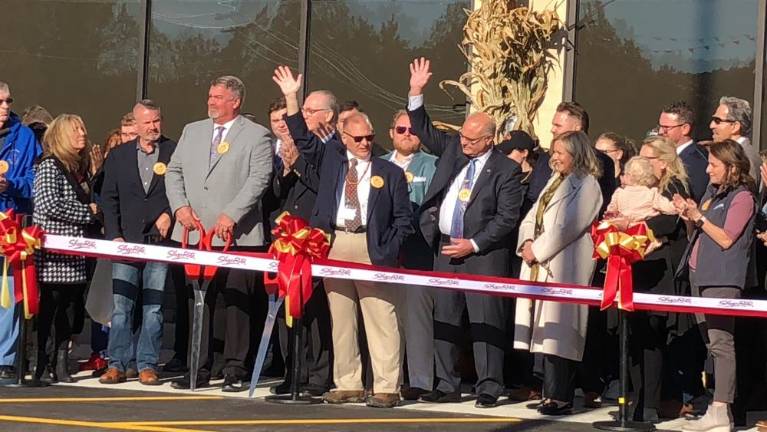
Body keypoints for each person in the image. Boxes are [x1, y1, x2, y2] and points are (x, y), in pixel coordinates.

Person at [274, 65, 413, 409]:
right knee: (341, 318)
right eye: (358, 139)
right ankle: (347, 382)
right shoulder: (333, 159)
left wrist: (388, 247)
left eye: (369, 137)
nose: (366, 144)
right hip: (336, 242)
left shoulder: (390, 173)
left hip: (371, 245)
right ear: (343, 138)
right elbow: (303, 139)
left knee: (381, 317)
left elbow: (404, 220)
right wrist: (292, 97)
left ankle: (385, 386)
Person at [406, 58, 524, 408]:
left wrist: (473, 244)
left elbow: (507, 218)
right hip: (444, 250)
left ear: (489, 140)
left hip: (481, 254)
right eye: (463, 137)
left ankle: (489, 386)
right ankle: (446, 383)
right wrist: (416, 93)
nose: (465, 143)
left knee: (485, 319)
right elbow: (426, 132)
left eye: (473, 140)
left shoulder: (506, 171)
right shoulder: (456, 150)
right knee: (445, 316)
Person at [165, 75, 273, 391]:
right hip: (195, 231)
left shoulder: (257, 136)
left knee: (236, 302)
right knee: (198, 301)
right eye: (210, 95)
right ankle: (197, 367)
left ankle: (235, 369)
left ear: (235, 101)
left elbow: (259, 178)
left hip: (237, 235)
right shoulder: (192, 131)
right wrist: (180, 208)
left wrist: (233, 214)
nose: (211, 101)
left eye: (218, 97)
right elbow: (174, 172)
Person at [514, 131, 603, 415]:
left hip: (564, 266)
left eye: (560, 153)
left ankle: (560, 396)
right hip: (540, 263)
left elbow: (569, 226)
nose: (554, 158)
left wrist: (537, 250)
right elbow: (533, 215)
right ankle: (547, 392)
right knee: (543, 333)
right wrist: (527, 241)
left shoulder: (588, 185)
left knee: (560, 335)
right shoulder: (555, 181)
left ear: (576, 155)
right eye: (553, 152)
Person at [674, 139, 756, 432]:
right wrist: (689, 216)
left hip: (722, 278)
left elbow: (726, 238)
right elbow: (699, 230)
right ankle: (717, 408)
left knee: (722, 344)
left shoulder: (743, 197)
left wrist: (699, 217)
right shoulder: (712, 192)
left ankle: (721, 409)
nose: (707, 170)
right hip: (699, 275)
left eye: (713, 165)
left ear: (731, 167)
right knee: (710, 343)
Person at [98, 100, 176, 386]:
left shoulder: (173, 151)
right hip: (125, 241)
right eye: (147, 122)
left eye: (157, 121)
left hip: (158, 241)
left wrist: (169, 213)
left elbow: (181, 189)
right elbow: (108, 198)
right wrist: (114, 235)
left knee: (153, 307)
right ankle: (116, 363)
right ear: (136, 123)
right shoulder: (118, 156)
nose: (153, 127)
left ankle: (146, 364)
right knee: (121, 306)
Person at [270, 95, 333, 397]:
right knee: (289, 309)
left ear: (328, 116)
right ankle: (292, 372)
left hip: (314, 238)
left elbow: (325, 187)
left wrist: (298, 165)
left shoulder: (330, 148)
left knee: (315, 309)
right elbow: (275, 194)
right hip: (286, 239)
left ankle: (318, 375)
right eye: (302, 110)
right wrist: (284, 169)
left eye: (310, 111)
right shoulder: (288, 145)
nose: (303, 116)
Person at [32, 114, 99, 384]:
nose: (82, 133)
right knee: (50, 308)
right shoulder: (49, 166)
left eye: (83, 128)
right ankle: (41, 362)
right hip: (53, 257)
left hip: (74, 257)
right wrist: (88, 212)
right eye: (75, 130)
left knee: (69, 310)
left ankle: (61, 362)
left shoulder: (76, 169)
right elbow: (49, 204)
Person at [629, 136, 692, 422]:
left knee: (653, 339)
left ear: (663, 164)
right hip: (640, 267)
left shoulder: (674, 187)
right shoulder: (639, 189)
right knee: (636, 337)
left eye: (648, 159)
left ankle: (651, 403)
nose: (641, 164)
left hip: (661, 271)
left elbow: (668, 222)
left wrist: (634, 223)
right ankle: (638, 398)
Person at [381, 109, 438, 400]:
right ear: (391, 132)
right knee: (383, 317)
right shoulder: (377, 164)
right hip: (383, 251)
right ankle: (384, 379)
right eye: (401, 129)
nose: (407, 135)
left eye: (413, 130)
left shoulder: (433, 164)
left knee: (416, 318)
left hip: (418, 251)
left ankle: (419, 380)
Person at [0, 82, 43, 381]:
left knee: (7, 293)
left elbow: (35, 181)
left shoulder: (25, 136)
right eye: (0, 101)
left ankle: (4, 358)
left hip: (10, 223)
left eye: (8, 101)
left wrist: (11, 185)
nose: (5, 106)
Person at [606, 156, 678, 252]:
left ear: (628, 175)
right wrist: (676, 205)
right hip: (642, 234)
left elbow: (611, 210)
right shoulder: (651, 193)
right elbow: (669, 209)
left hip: (624, 234)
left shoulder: (619, 193)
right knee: (658, 241)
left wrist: (611, 216)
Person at [658, 101, 709, 203]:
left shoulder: (696, 161)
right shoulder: (663, 155)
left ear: (685, 128)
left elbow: (696, 197)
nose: (660, 132)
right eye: (660, 126)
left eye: (666, 128)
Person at [709, 97, 760, 180]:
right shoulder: (730, 153)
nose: (711, 125)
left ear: (735, 126)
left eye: (717, 121)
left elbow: (746, 192)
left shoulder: (746, 158)